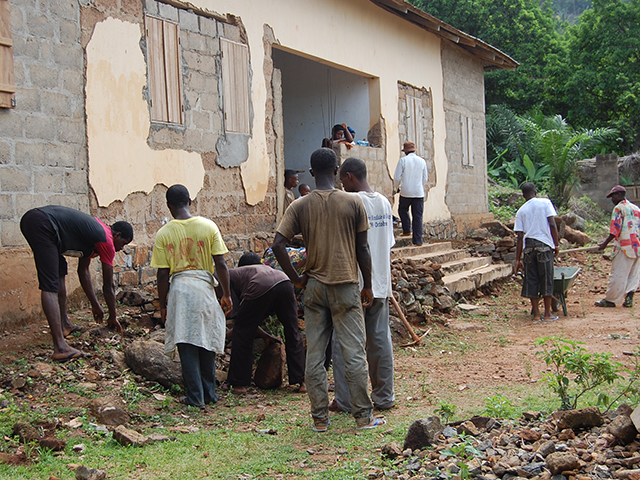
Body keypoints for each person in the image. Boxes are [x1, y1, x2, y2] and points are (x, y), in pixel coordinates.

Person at [272, 147, 385, 432]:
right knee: (354, 353)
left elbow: (277, 244)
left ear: (311, 173)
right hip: (346, 286)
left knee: (316, 355)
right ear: (337, 170)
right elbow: (363, 249)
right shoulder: (353, 202)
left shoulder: (299, 205)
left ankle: (320, 419)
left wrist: (297, 279)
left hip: (315, 288)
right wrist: (368, 285)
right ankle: (363, 417)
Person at [151, 185, 232, 409]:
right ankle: (210, 393)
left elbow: (162, 273)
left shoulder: (164, 233)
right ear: (190, 201)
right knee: (205, 340)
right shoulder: (208, 226)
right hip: (204, 288)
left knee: (186, 343)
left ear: (168, 206)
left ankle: (195, 397)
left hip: (180, 291)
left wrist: (163, 303)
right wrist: (226, 294)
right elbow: (221, 264)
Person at [20, 206, 133, 362]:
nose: (122, 248)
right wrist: (113, 317)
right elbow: (109, 286)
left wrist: (95, 304)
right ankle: (60, 347)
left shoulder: (95, 236)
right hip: (43, 224)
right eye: (123, 243)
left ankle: (65, 324)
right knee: (50, 285)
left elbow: (83, 271)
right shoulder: (107, 240)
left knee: (60, 272)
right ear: (117, 235)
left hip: (45, 227)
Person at [330, 157, 396, 412]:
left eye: (342, 180)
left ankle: (346, 400)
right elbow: (386, 244)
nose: (342, 185)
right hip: (380, 283)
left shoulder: (351, 203)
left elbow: (356, 246)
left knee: (344, 343)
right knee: (380, 340)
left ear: (348, 177)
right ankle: (384, 397)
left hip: (355, 284)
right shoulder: (383, 202)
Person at [223, 252, 306, 394]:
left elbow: (241, 323)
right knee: (292, 330)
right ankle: (302, 381)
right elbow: (252, 319)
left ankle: (238, 384)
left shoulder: (230, 275)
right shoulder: (266, 269)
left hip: (260, 285)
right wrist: (266, 336)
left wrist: (223, 335)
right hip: (285, 282)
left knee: (242, 334)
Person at [514, 182, 560, 321]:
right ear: (535, 192)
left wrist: (517, 259)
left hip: (528, 249)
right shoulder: (545, 203)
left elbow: (520, 237)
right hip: (544, 247)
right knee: (546, 280)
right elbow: (552, 224)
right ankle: (547, 314)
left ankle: (536, 315)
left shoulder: (521, 211)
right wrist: (556, 245)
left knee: (531, 280)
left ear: (523, 196)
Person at [595, 185, 640, 308]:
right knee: (633, 274)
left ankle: (610, 300)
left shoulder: (619, 208)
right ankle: (629, 299)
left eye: (613, 196)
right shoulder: (636, 208)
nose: (612, 200)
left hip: (624, 247)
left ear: (619, 195)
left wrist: (604, 243)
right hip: (637, 247)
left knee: (618, 273)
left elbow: (615, 230)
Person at [393, 141, 429, 246]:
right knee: (417, 216)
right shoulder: (422, 161)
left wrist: (397, 187)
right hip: (419, 192)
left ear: (405, 152)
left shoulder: (403, 161)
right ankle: (418, 240)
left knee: (402, 210)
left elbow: (397, 177)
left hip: (405, 191)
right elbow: (425, 178)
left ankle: (407, 229)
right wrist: (419, 186)